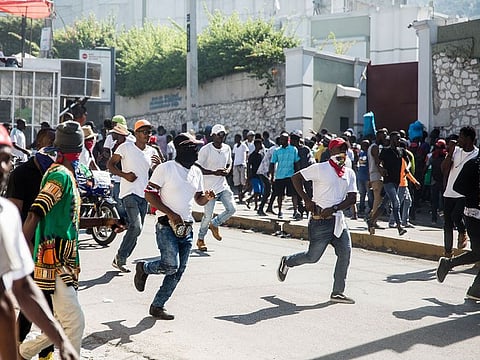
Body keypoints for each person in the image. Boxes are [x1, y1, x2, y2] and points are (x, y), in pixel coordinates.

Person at [0, 126, 78, 360]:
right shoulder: (55, 177)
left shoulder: (7, 216)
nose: (4, 168)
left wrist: (61, 341)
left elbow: (21, 290)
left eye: (7, 159)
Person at [134, 133, 215, 319]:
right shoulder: (166, 168)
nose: (196, 152)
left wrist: (207, 198)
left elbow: (199, 199)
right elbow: (149, 194)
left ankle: (157, 306)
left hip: (187, 227)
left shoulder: (196, 172)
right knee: (171, 266)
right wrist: (171, 213)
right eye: (193, 148)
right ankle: (144, 268)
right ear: (183, 149)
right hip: (166, 225)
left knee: (178, 271)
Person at [277, 137, 357, 304]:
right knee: (312, 257)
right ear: (331, 151)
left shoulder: (349, 173)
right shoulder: (320, 168)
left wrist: (335, 208)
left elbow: (352, 198)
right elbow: (296, 178)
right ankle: (287, 261)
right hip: (320, 221)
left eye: (345, 150)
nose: (342, 153)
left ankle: (337, 292)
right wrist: (306, 200)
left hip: (338, 222)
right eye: (339, 149)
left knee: (345, 252)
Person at [108, 119, 161, 272]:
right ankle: (121, 257)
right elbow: (110, 165)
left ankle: (120, 258)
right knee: (136, 227)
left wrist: (159, 165)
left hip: (144, 195)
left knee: (137, 229)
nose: (147, 135)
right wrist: (124, 175)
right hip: (129, 193)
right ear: (136, 133)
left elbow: (159, 173)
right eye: (144, 132)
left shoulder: (152, 151)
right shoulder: (125, 147)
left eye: (149, 132)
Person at [436, 148, 480, 300]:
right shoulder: (473, 164)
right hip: (474, 215)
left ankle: (475, 290)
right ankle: (449, 264)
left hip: (473, 214)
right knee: (478, 252)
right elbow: (458, 187)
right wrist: (475, 195)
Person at [195, 124, 236, 252]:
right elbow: (198, 167)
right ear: (212, 136)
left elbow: (229, 162)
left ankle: (215, 223)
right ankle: (200, 239)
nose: (221, 137)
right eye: (219, 134)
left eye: (223, 134)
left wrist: (227, 170)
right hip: (209, 189)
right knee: (207, 216)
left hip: (222, 185)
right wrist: (214, 172)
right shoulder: (205, 150)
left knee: (232, 209)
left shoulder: (227, 148)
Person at [441, 126, 478, 257]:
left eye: (461, 137)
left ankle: (462, 231)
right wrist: (450, 152)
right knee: (447, 224)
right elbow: (444, 170)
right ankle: (448, 253)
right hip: (449, 192)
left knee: (456, 216)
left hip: (464, 194)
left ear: (468, 139)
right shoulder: (455, 151)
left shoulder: (476, 155)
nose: (459, 140)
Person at [269, 132, 300, 219]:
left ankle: (295, 211)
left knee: (294, 194)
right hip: (280, 176)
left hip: (291, 175)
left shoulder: (293, 149)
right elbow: (272, 163)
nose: (282, 141)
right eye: (281, 139)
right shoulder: (277, 151)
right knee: (280, 195)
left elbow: (296, 163)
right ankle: (279, 211)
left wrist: (298, 175)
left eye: (284, 139)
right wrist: (271, 176)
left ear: (288, 140)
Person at [366, 128, 388, 234]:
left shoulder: (373, 147)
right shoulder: (375, 147)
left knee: (378, 199)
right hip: (376, 176)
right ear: (378, 136)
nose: (385, 137)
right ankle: (373, 221)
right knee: (377, 200)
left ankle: (371, 217)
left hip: (374, 176)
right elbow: (376, 163)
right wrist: (383, 172)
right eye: (384, 135)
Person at [245, 138, 264, 210]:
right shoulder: (252, 155)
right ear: (257, 145)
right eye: (260, 144)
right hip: (254, 175)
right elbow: (249, 165)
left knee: (260, 192)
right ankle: (256, 206)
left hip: (260, 175)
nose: (262, 145)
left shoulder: (261, 155)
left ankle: (249, 200)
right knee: (257, 190)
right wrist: (248, 176)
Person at [231, 133, 249, 203]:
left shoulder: (243, 146)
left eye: (236, 138)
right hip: (236, 164)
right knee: (237, 181)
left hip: (242, 165)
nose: (235, 140)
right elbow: (234, 155)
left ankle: (242, 194)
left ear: (239, 139)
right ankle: (240, 194)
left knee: (243, 181)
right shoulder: (235, 146)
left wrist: (246, 161)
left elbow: (247, 153)